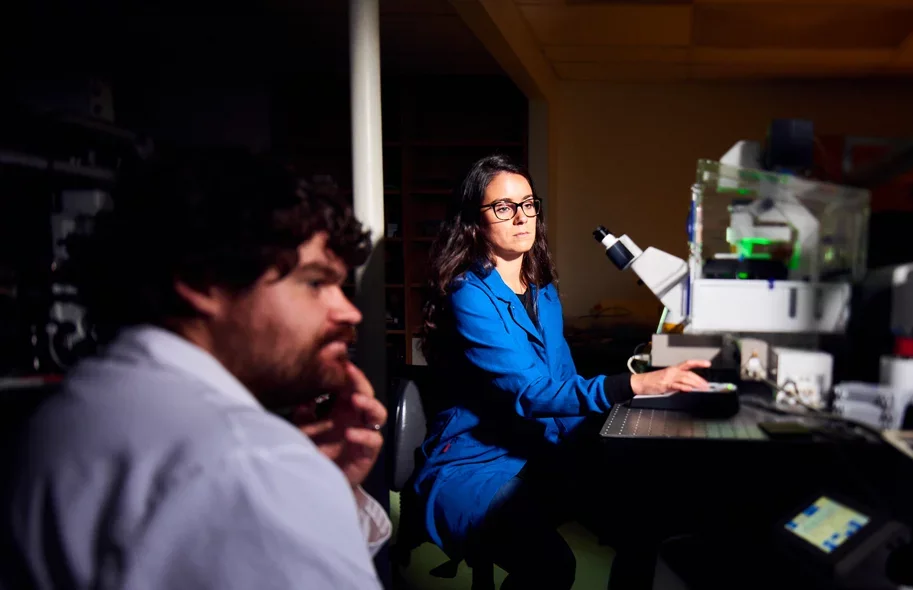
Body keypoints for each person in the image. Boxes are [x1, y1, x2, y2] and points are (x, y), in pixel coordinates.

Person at [0, 148, 391, 589]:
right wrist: (287, 482)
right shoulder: (247, 462)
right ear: (204, 281)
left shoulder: (70, 410)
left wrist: (319, 491)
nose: (349, 313)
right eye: (315, 283)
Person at [412, 154, 710, 589]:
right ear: (475, 222)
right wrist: (634, 384)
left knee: (649, 519)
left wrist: (619, 428)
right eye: (503, 207)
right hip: (477, 464)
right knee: (551, 565)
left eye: (528, 204)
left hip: (541, 450)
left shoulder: (542, 289)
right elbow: (533, 391)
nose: (521, 217)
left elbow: (562, 375)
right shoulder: (467, 294)